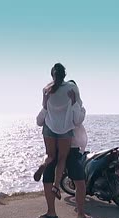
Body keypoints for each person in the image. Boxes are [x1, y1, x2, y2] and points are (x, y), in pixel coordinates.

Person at [35, 80, 95, 218]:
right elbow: (76, 121)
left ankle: (70, 212)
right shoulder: (65, 108)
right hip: (66, 148)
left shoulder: (72, 108)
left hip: (64, 148)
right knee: (74, 180)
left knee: (73, 181)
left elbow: (40, 121)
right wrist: (48, 105)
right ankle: (60, 212)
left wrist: (47, 103)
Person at [33, 63, 79, 200]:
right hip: (65, 127)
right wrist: (74, 100)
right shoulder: (72, 88)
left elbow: (44, 106)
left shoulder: (46, 89)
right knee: (62, 158)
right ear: (64, 75)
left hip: (49, 127)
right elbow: (77, 104)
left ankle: (43, 165)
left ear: (52, 75)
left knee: (50, 155)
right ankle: (56, 186)